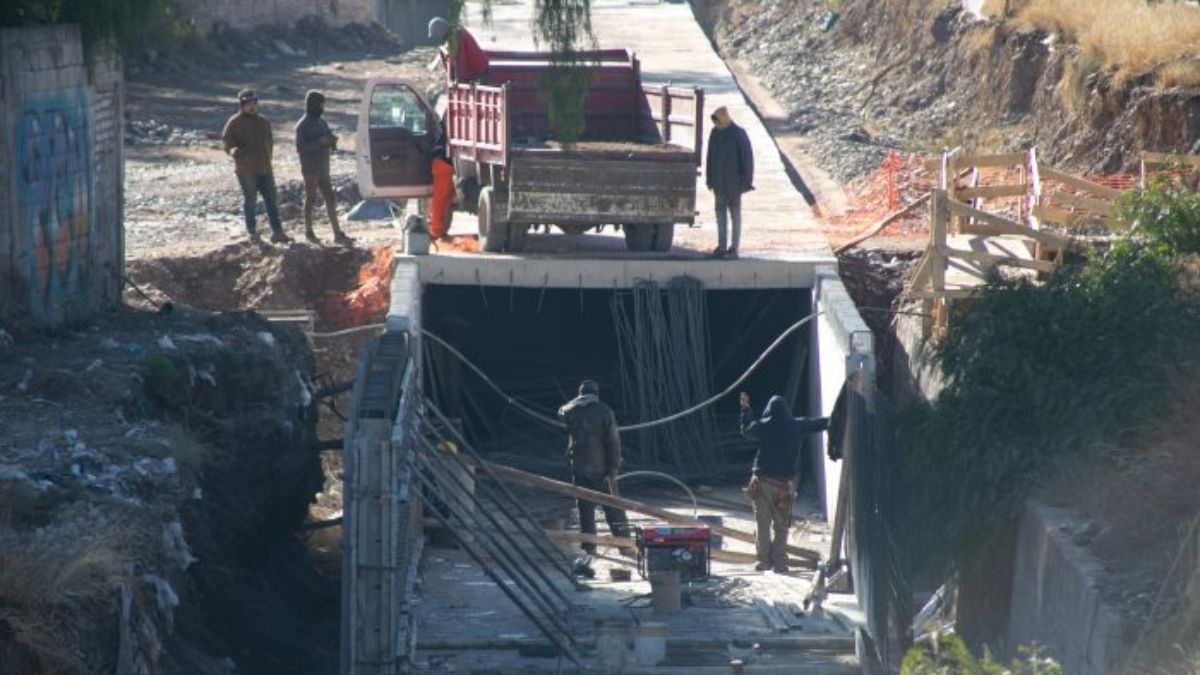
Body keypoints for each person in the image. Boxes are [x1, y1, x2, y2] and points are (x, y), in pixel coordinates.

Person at [740, 392, 829, 573]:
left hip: (762, 483)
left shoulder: (763, 426)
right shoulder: (797, 425)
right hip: (784, 486)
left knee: (762, 525)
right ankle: (780, 563)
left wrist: (746, 410)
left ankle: (764, 561)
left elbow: (746, 429)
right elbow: (820, 423)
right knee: (781, 527)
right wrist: (839, 415)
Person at [558, 380, 633, 557]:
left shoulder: (571, 410)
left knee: (585, 510)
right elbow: (613, 442)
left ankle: (589, 547)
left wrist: (575, 403)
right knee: (613, 508)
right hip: (603, 469)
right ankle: (624, 545)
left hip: (580, 467)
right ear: (596, 394)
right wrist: (614, 468)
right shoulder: (604, 411)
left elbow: (561, 411)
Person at [222, 89, 291, 244]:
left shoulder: (264, 121)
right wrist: (233, 151)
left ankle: (277, 232)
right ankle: (252, 232)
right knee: (250, 199)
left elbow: (269, 143)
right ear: (242, 105)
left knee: (271, 200)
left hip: (265, 168)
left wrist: (268, 160)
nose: (252, 107)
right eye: (248, 104)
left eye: (254, 104)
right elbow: (227, 142)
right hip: (246, 169)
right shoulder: (234, 123)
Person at [295, 90, 353, 246]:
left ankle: (337, 233)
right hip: (310, 170)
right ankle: (309, 231)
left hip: (323, 168)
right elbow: (300, 148)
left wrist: (332, 141)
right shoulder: (302, 125)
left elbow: (328, 137)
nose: (323, 108)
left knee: (330, 198)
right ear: (314, 105)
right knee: (311, 199)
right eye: (321, 105)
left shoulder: (321, 121)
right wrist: (319, 143)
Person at [705, 106, 754, 260]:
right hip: (719, 184)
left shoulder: (739, 134)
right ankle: (721, 247)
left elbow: (747, 160)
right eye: (715, 121)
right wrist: (709, 179)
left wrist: (746, 183)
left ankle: (734, 248)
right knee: (720, 216)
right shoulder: (714, 134)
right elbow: (710, 157)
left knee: (735, 216)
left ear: (724, 118)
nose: (716, 124)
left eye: (718, 121)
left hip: (734, 185)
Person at [428, 16, 489, 83]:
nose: (436, 38)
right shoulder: (451, 37)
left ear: (441, 31)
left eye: (436, 35)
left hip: (479, 71)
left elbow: (460, 60)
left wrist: (458, 81)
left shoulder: (456, 36)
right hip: (472, 73)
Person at [429, 118, 455, 242]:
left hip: (444, 163)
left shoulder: (446, 120)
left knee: (445, 200)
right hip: (443, 163)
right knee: (441, 201)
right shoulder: (449, 121)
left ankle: (440, 231)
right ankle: (436, 232)